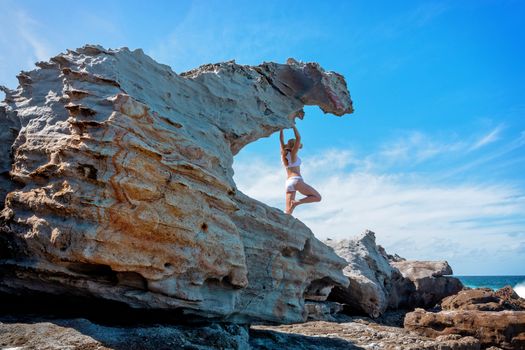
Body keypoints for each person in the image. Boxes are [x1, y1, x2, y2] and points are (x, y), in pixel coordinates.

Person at [279, 125, 321, 214]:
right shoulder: (293, 155)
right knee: (317, 197)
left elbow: (281, 140)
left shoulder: (283, 155)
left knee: (288, 212)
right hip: (296, 180)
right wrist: (293, 126)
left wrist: (281, 129)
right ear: (295, 147)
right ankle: (297, 202)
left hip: (288, 183)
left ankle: (290, 211)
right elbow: (298, 138)